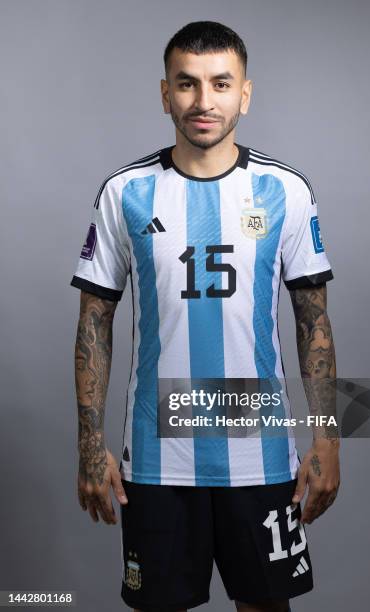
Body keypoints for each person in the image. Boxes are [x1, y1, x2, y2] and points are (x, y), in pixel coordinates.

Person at [71, 20, 340, 612]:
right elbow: (95, 320)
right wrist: (90, 441)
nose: (203, 100)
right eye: (187, 84)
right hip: (157, 455)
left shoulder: (286, 190)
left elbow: (312, 322)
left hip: (263, 452)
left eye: (221, 84)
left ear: (244, 93)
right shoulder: (125, 192)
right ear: (165, 93)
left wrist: (327, 436)